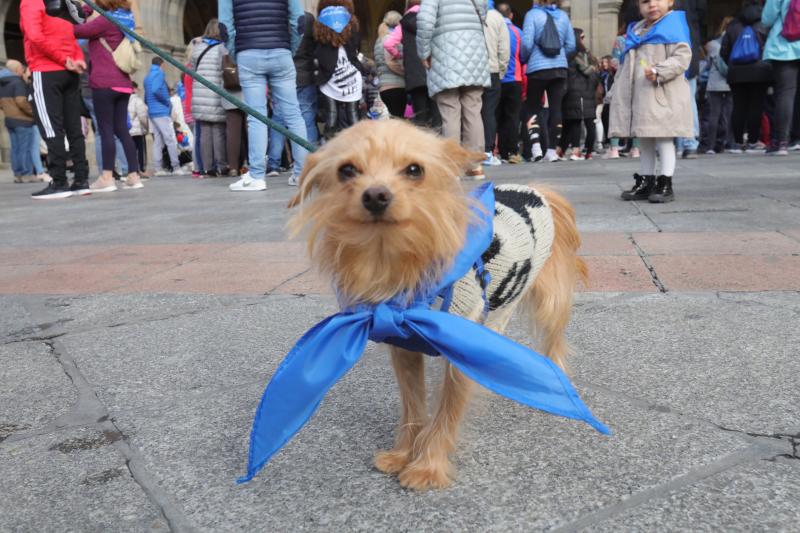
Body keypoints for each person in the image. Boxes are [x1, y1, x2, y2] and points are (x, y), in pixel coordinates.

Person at [219, 0, 308, 191]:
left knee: (256, 116)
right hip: (281, 52)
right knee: (294, 115)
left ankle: (257, 176)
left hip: (248, 54)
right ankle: (303, 174)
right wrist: (288, 49)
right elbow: (299, 22)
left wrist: (238, 53)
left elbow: (225, 27)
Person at [610, 0, 693, 204]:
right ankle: (647, 180)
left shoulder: (673, 25)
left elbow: (683, 57)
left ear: (670, 2)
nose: (652, 5)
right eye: (646, 1)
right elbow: (625, 65)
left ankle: (666, 182)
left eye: (658, 0)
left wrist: (659, 70)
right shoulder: (636, 30)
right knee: (645, 139)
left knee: (664, 139)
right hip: (641, 97)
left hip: (662, 95)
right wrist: (615, 89)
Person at [20, 0, 91, 199]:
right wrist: (75, 60)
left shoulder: (30, 2)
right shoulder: (64, 9)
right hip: (69, 74)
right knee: (74, 128)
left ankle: (59, 181)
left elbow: (34, 36)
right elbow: (71, 39)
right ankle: (80, 180)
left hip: (46, 71)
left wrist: (62, 59)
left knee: (51, 127)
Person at [417, 0, 491, 179]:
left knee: (450, 110)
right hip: (474, 54)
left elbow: (425, 22)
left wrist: (423, 52)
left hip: (446, 55)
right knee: (473, 109)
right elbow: (483, 12)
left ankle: (453, 165)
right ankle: (475, 165)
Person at [73, 0, 142, 192]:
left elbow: (78, 31)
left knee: (105, 130)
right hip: (124, 84)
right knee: (121, 129)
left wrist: (64, 20)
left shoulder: (105, 21)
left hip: (104, 83)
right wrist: (88, 9)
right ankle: (134, 176)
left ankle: (107, 177)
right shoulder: (126, 20)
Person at [520, 1, 576, 163]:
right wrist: (559, 57)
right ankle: (552, 151)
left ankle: (536, 148)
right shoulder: (564, 16)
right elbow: (571, 45)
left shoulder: (532, 14)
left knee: (532, 108)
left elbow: (526, 43)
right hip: (559, 69)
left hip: (537, 69)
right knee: (556, 109)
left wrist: (526, 58)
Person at [721, 1, 772, 153]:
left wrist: (732, 64)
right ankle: (753, 140)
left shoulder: (732, 26)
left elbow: (724, 52)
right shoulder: (764, 25)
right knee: (756, 107)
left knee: (739, 106)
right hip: (760, 72)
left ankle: (736, 142)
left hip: (736, 74)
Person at [314, 0, 364, 140]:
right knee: (353, 116)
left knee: (331, 116)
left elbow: (317, 49)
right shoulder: (351, 21)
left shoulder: (321, 22)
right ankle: (359, 149)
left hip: (328, 76)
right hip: (352, 75)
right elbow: (357, 46)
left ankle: (328, 152)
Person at [385, 0, 437, 127]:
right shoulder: (433, 18)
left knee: (421, 118)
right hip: (434, 71)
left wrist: (399, 55)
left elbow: (388, 43)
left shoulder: (403, 24)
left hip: (415, 74)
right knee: (437, 116)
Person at [762, 0, 800, 155]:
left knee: (786, 93)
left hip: (784, 47)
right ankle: (797, 139)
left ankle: (781, 142)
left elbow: (767, 18)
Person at [191, 19, 228, 177]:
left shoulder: (197, 48)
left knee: (205, 131)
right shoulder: (222, 48)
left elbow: (193, 67)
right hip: (215, 92)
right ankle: (222, 165)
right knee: (218, 130)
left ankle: (208, 167)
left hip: (199, 93)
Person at [674, 0, 707, 159]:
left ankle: (683, 142)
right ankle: (688, 141)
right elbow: (702, 15)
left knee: (675, 98)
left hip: (674, 48)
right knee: (688, 97)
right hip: (689, 45)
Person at [561, 28, 599, 161]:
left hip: (574, 91)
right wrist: (594, 67)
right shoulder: (579, 53)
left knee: (574, 122)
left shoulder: (568, 53)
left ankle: (572, 150)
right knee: (583, 122)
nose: (584, 40)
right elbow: (587, 70)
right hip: (582, 92)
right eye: (582, 37)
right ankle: (582, 151)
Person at [144, 57, 186, 176]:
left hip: (152, 111)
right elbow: (156, 90)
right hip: (161, 111)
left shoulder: (147, 77)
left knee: (158, 141)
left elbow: (147, 95)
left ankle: (158, 168)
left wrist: (150, 105)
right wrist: (167, 101)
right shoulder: (159, 74)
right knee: (170, 139)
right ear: (161, 65)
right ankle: (176, 167)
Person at [481, 0, 510, 166]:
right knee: (489, 111)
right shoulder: (497, 17)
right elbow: (504, 48)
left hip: (472, 71)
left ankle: (472, 149)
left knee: (472, 111)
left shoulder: (471, 14)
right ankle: (487, 150)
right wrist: (501, 70)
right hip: (492, 71)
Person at [0, 60, 39, 183]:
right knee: (25, 148)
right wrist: (33, 113)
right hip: (23, 120)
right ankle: (26, 174)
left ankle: (17, 174)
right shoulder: (17, 82)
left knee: (15, 148)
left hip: (10, 119)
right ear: (17, 70)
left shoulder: (2, 83)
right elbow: (21, 101)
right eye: (22, 68)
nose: (23, 70)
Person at [699, 18, 733, 154]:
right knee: (728, 114)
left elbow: (707, 65)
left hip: (714, 84)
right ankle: (726, 143)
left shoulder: (712, 45)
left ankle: (710, 146)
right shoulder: (734, 42)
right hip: (730, 82)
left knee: (714, 115)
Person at [496, 3, 524, 164]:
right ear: (511, 15)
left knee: (496, 116)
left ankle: (499, 151)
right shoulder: (517, 32)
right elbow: (524, 54)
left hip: (497, 78)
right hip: (515, 78)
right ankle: (513, 152)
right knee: (512, 117)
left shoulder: (493, 29)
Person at [374, 10, 406, 118]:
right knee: (399, 122)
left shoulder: (379, 39)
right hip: (396, 86)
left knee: (395, 121)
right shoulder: (390, 39)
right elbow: (390, 62)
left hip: (385, 87)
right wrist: (405, 73)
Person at [127, 80, 148, 176]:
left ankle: (131, 169)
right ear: (134, 89)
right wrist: (146, 127)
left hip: (127, 131)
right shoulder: (137, 100)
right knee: (140, 151)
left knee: (130, 150)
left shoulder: (123, 100)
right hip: (138, 131)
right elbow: (142, 116)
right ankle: (142, 169)